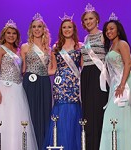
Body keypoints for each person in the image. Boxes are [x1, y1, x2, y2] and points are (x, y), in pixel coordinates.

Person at [0, 19, 38, 150]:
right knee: (2, 117)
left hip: (17, 88)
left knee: (16, 120)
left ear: (17, 36)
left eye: (14, 33)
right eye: (8, 33)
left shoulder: (18, 51)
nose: (11, 35)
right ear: (4, 34)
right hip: (3, 87)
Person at [44, 14, 82, 150]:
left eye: (69, 27)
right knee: (61, 110)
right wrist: (36, 72)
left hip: (74, 83)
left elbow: (83, 67)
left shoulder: (80, 46)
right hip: (60, 84)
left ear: (74, 29)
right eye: (64, 27)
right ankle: (59, 143)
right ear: (61, 30)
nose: (67, 29)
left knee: (73, 110)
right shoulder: (56, 47)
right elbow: (52, 69)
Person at [99, 13, 131, 150]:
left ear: (118, 30)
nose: (109, 32)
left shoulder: (122, 43)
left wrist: (122, 84)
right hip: (116, 84)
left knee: (122, 114)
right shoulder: (111, 46)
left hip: (124, 84)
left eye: (112, 29)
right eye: (107, 30)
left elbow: (127, 63)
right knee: (114, 116)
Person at [21, 13, 52, 150]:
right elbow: (22, 69)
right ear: (31, 29)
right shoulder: (25, 47)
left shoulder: (49, 49)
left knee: (45, 112)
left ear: (44, 29)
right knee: (31, 111)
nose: (37, 29)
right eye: (34, 27)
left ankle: (42, 144)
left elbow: (51, 69)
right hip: (30, 81)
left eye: (39, 26)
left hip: (44, 82)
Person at [80, 3, 109, 150]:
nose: (88, 21)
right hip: (86, 76)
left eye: (91, 18)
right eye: (85, 20)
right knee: (88, 113)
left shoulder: (104, 35)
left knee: (98, 111)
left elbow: (112, 55)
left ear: (97, 19)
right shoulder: (85, 39)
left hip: (99, 75)